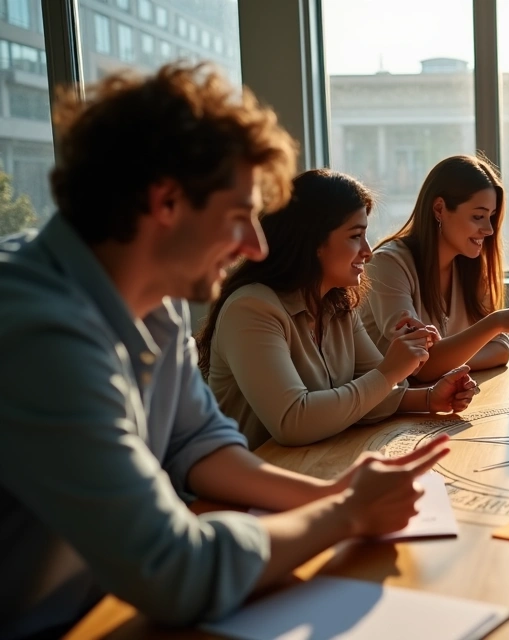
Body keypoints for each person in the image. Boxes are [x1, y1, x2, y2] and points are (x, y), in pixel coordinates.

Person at [0, 64, 450, 639]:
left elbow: (198, 443)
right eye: (240, 217)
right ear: (166, 202)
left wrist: (335, 493)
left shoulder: (153, 300)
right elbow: (175, 570)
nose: (256, 245)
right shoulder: (37, 336)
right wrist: (345, 513)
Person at [198, 169, 478, 449]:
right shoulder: (250, 308)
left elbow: (374, 396)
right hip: (256, 472)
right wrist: (391, 371)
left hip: (317, 462)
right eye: (356, 236)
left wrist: (429, 397)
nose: (368, 251)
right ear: (313, 242)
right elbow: (293, 422)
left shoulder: (338, 304)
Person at [361, 154, 509, 382]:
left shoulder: (470, 266)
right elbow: (418, 366)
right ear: (439, 209)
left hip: (436, 398)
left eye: (491, 217)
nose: (489, 229)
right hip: (388, 403)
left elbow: (500, 349)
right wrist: (496, 322)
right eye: (478, 216)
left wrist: (442, 361)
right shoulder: (388, 264)